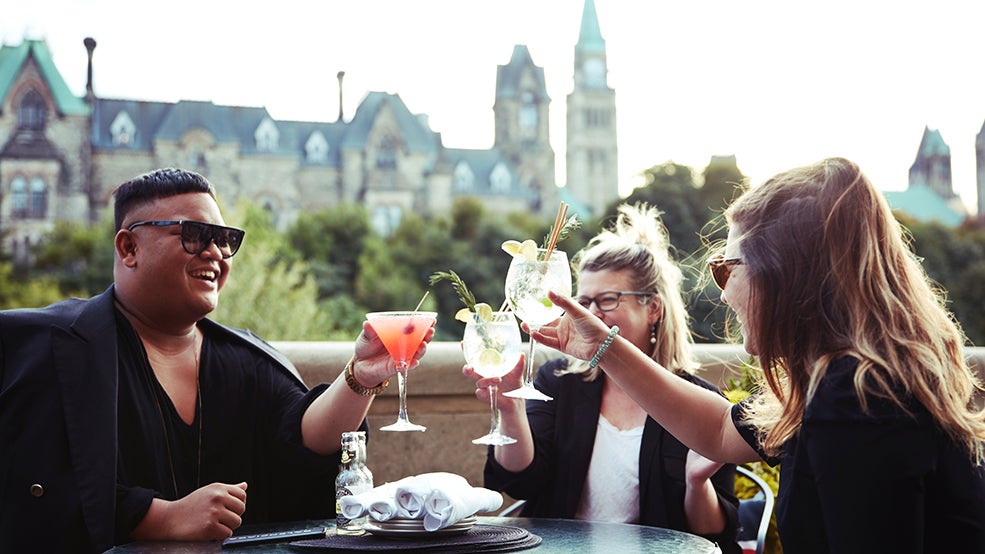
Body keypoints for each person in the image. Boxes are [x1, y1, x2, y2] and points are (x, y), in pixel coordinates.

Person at [532, 158, 985, 553]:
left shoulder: (857, 400)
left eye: (728, 267)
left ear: (787, 275)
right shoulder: (846, 379)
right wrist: (604, 349)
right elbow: (717, 429)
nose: (724, 294)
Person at [0, 168, 435, 553]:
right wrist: (160, 517)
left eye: (225, 240)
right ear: (129, 247)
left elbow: (305, 439)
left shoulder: (245, 358)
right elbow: (31, 486)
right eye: (194, 235)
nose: (215, 253)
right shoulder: (46, 347)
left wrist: (360, 376)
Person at [467, 203, 741, 553]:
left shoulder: (696, 400)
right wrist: (509, 409)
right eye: (583, 301)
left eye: (607, 300)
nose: (590, 314)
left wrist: (696, 481)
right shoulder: (558, 381)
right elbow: (519, 482)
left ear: (653, 308)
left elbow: (714, 533)